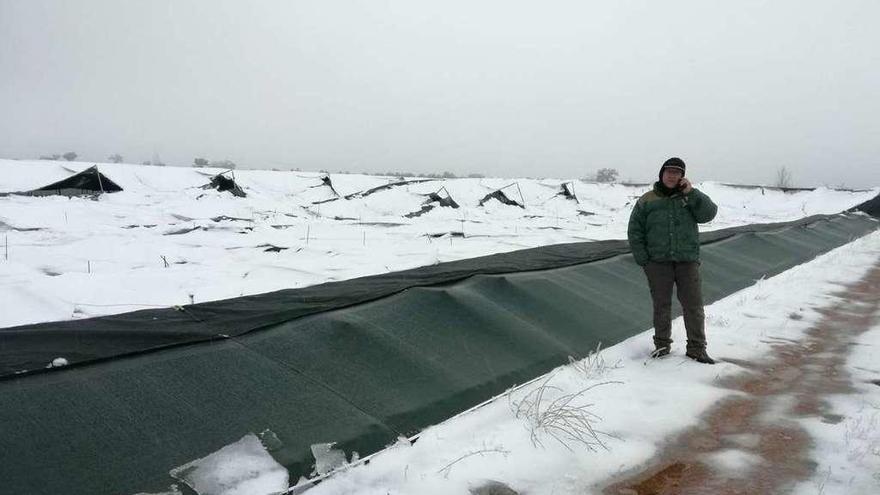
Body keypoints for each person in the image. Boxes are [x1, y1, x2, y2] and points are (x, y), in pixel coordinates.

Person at [627, 157, 718, 364]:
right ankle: (661, 345)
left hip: (687, 261)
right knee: (661, 305)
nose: (672, 176)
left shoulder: (689, 198)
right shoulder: (647, 200)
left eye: (677, 173)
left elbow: (709, 213)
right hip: (658, 263)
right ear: (662, 174)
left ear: (682, 177)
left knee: (693, 305)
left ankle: (696, 348)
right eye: (668, 172)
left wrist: (692, 193)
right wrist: (644, 260)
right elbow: (635, 231)